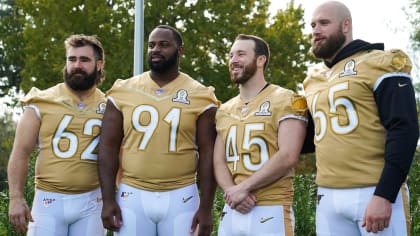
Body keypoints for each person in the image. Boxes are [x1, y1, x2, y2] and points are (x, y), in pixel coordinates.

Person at [303, 1, 419, 235]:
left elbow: (404, 129)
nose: (316, 30)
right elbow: (307, 139)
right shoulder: (314, 80)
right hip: (326, 195)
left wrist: (385, 194)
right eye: (313, 24)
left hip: (372, 191)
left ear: (346, 25)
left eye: (324, 23)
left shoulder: (379, 62)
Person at [97, 25, 219, 236]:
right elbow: (108, 146)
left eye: (164, 45)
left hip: (182, 195)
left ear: (180, 50)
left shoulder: (200, 95)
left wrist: (206, 208)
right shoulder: (123, 90)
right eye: (151, 45)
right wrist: (107, 200)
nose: (156, 49)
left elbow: (209, 154)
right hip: (133, 193)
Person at [7, 34, 107, 235]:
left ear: (98, 64)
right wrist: (16, 198)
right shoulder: (41, 100)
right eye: (72, 59)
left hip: (92, 202)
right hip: (48, 201)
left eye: (84, 60)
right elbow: (20, 152)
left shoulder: (110, 105)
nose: (77, 65)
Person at [213, 34, 308, 236]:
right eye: (231, 55)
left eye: (241, 54)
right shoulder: (224, 109)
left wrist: (243, 188)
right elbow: (218, 161)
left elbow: (288, 155)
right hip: (232, 209)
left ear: (260, 60)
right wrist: (232, 191)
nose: (233, 60)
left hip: (271, 207)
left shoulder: (285, 98)